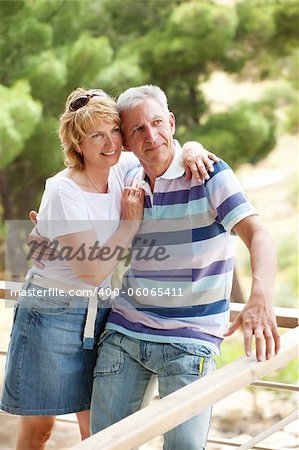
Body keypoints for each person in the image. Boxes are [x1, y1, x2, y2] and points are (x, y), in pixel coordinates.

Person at [0, 87, 217, 450]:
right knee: (40, 429)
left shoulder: (124, 170)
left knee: (99, 434)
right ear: (77, 144)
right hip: (51, 314)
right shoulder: (62, 190)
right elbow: (91, 272)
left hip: (101, 315)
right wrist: (128, 225)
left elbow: (166, 151)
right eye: (96, 135)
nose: (110, 142)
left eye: (114, 130)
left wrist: (192, 146)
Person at [90, 85, 280, 450]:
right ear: (126, 143)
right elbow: (80, 164)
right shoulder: (128, 175)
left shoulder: (209, 173)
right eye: (138, 130)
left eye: (158, 123)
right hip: (124, 336)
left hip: (188, 343)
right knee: (103, 446)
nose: (152, 135)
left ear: (172, 123)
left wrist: (260, 296)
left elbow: (259, 234)